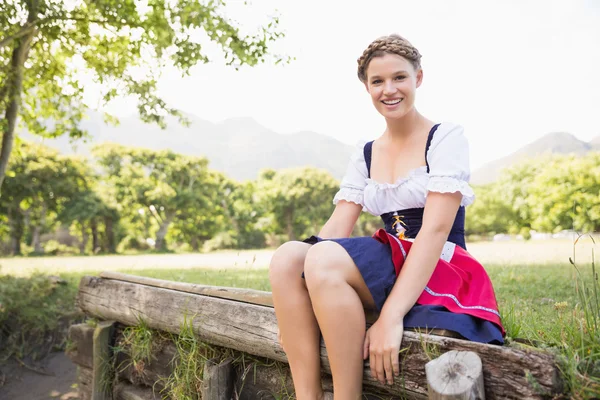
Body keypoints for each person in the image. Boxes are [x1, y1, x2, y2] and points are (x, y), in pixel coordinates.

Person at [268, 34, 505, 400]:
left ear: (418, 79)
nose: (389, 89)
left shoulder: (444, 137)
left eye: (399, 78)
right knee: (287, 257)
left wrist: (390, 317)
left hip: (440, 263)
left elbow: (436, 229)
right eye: (377, 81)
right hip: (393, 258)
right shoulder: (366, 153)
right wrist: (291, 300)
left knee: (322, 259)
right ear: (366, 87)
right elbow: (334, 231)